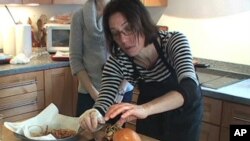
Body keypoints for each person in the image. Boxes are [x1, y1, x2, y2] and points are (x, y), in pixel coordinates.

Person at [79, 0, 203, 141]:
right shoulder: (117, 62)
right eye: (116, 33)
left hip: (183, 116)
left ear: (142, 22)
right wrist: (95, 114)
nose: (123, 40)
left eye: (129, 28)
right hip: (149, 118)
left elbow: (190, 88)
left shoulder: (174, 41)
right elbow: (104, 101)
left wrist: (145, 109)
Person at [69, 0, 133, 118]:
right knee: (86, 134)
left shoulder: (126, 13)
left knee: (115, 135)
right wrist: (95, 94)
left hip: (121, 91)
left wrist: (120, 92)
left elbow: (132, 55)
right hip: (88, 92)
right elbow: (75, 59)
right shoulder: (79, 16)